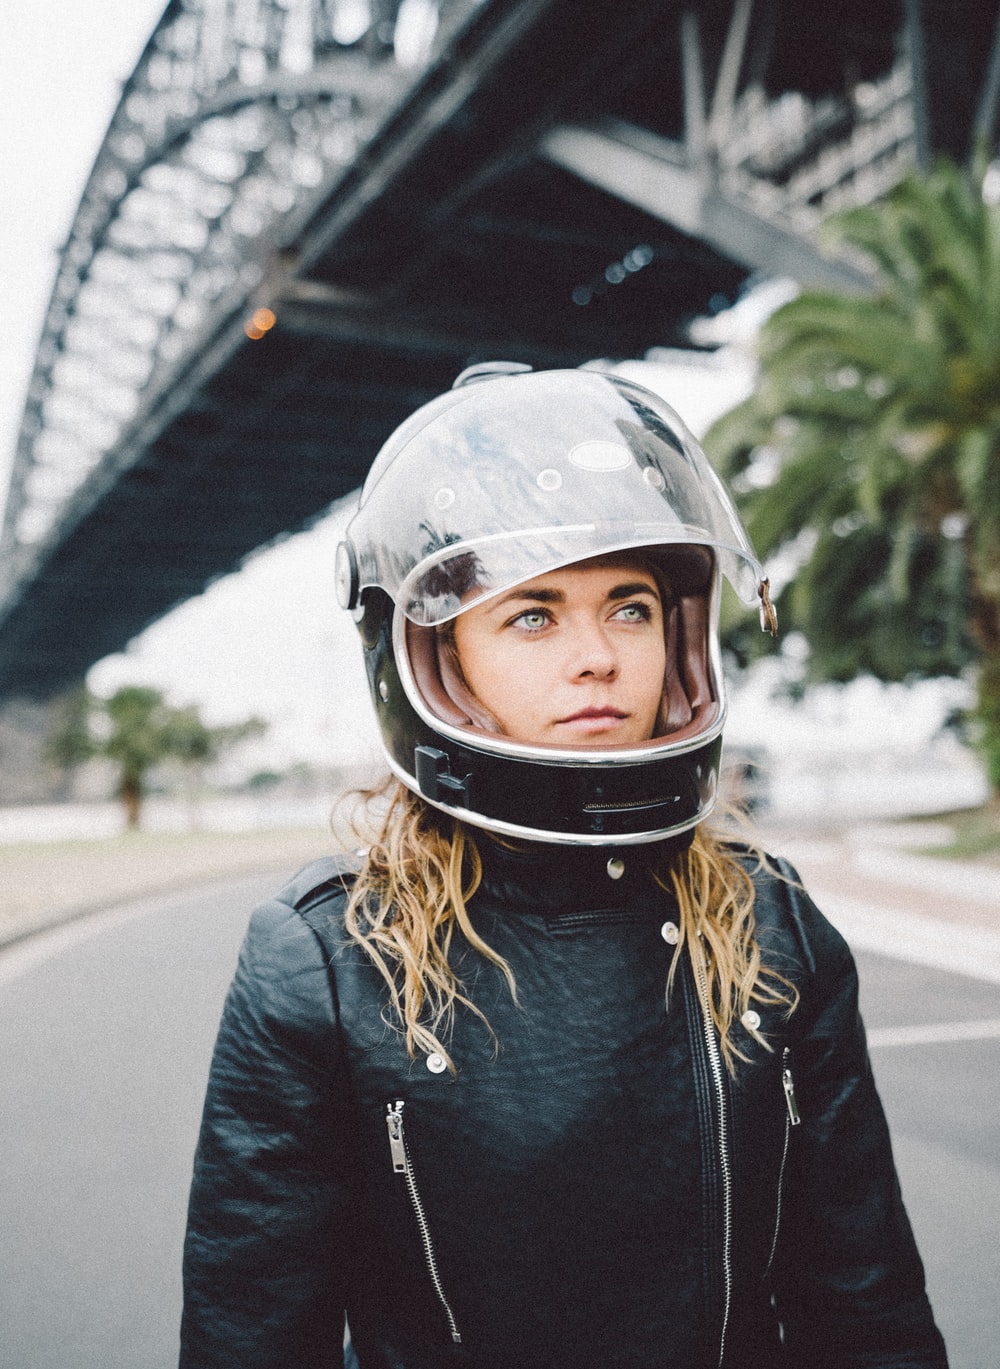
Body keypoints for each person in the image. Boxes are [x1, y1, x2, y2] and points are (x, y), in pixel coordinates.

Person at [180, 364, 948, 1368]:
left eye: (628, 608)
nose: (596, 655)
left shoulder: (771, 925)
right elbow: (253, 1336)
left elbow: (864, 1304)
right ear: (436, 659)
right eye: (532, 614)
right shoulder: (328, 959)